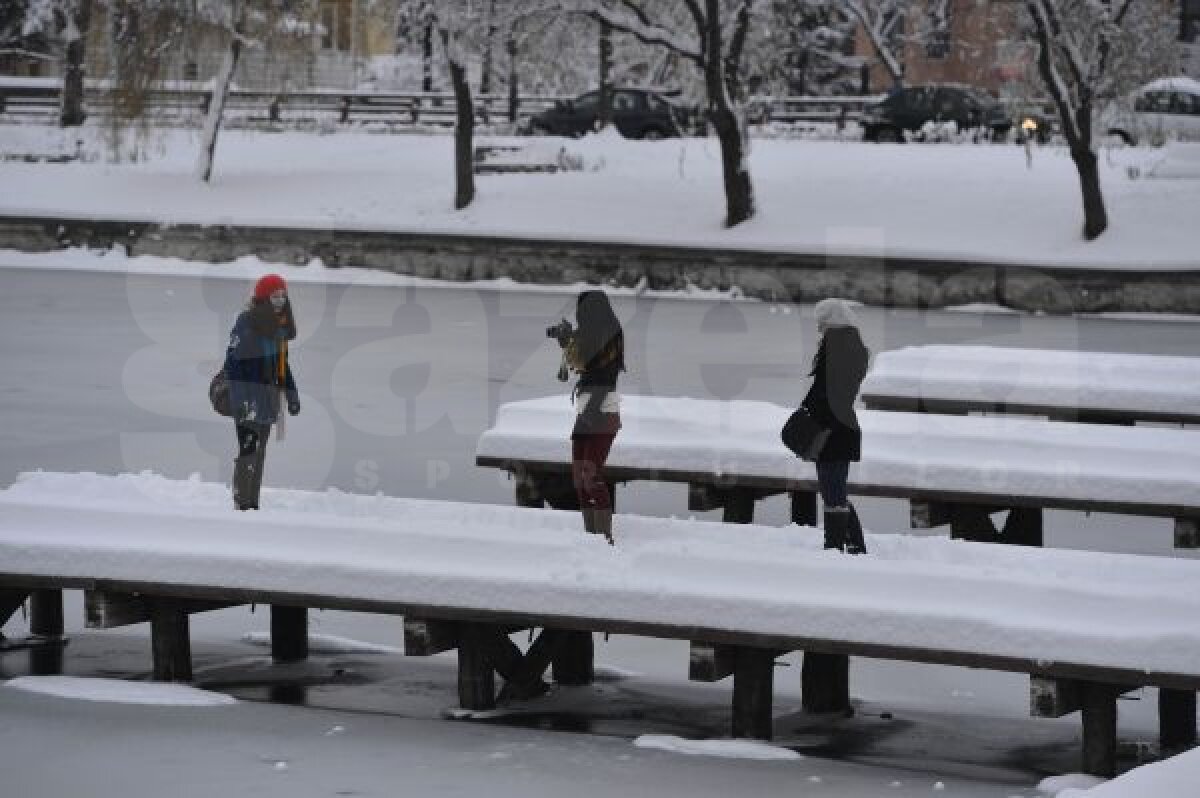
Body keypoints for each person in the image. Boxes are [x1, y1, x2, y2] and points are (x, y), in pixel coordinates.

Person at [224, 274, 300, 511]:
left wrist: (292, 394)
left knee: (259, 454)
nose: (279, 300)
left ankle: (252, 505)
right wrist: (241, 402)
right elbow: (234, 366)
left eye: (282, 296)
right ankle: (241, 505)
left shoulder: (280, 325)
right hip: (248, 399)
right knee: (248, 452)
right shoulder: (246, 322)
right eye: (274, 296)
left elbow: (282, 365)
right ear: (263, 297)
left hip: (268, 399)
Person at [802, 298, 869, 553]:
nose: (819, 330)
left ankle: (835, 547)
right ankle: (852, 544)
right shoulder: (850, 345)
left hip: (833, 430)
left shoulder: (839, 347)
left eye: (823, 324)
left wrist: (811, 420)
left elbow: (830, 394)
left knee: (833, 493)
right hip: (838, 428)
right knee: (833, 491)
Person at [561, 290, 624, 543]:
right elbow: (579, 363)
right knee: (579, 476)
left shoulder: (610, 335)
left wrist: (572, 341)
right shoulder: (594, 334)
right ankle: (591, 535)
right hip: (587, 409)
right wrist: (568, 342)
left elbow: (590, 362)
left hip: (603, 412)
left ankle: (604, 537)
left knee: (591, 475)